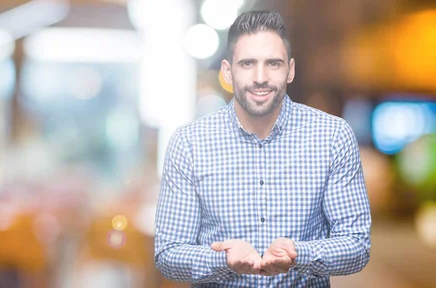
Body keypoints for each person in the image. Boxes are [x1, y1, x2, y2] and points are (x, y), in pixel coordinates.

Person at [154, 10, 371, 287]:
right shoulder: (189, 143)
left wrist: (298, 254)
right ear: (227, 71)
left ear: (290, 70)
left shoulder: (333, 137)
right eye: (247, 63)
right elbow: (167, 252)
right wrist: (223, 260)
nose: (260, 77)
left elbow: (357, 245)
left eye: (273, 63)